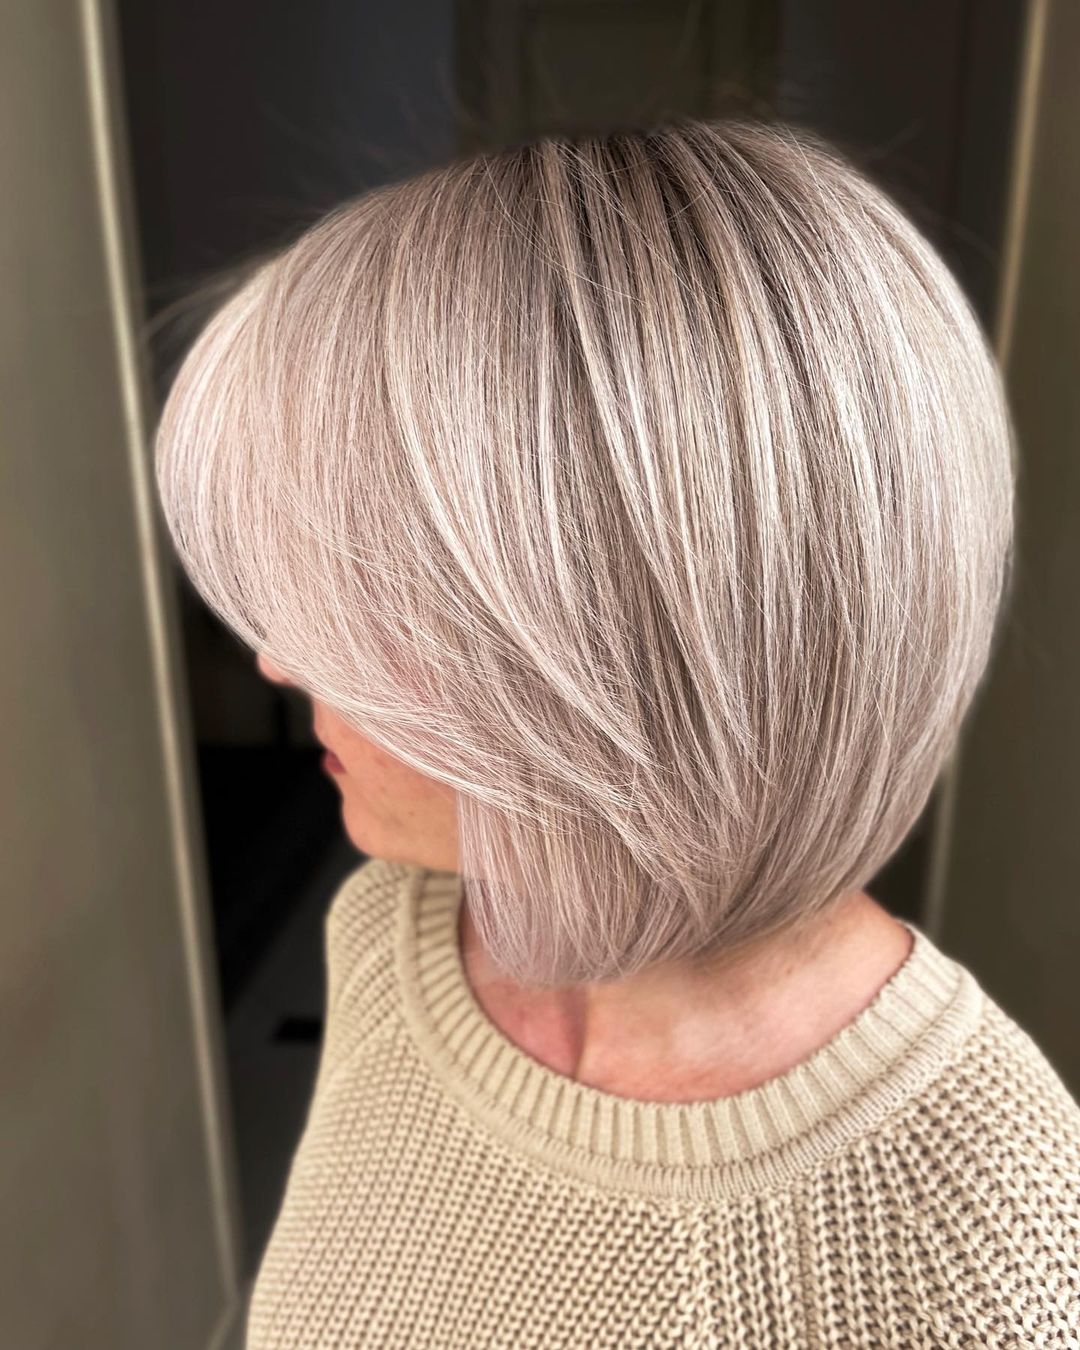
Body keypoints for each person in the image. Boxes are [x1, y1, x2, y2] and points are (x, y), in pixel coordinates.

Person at [155, 118, 1080, 1347]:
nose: (276, 658)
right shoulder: (389, 933)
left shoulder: (989, 1245)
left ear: (630, 635)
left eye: (359, 591)